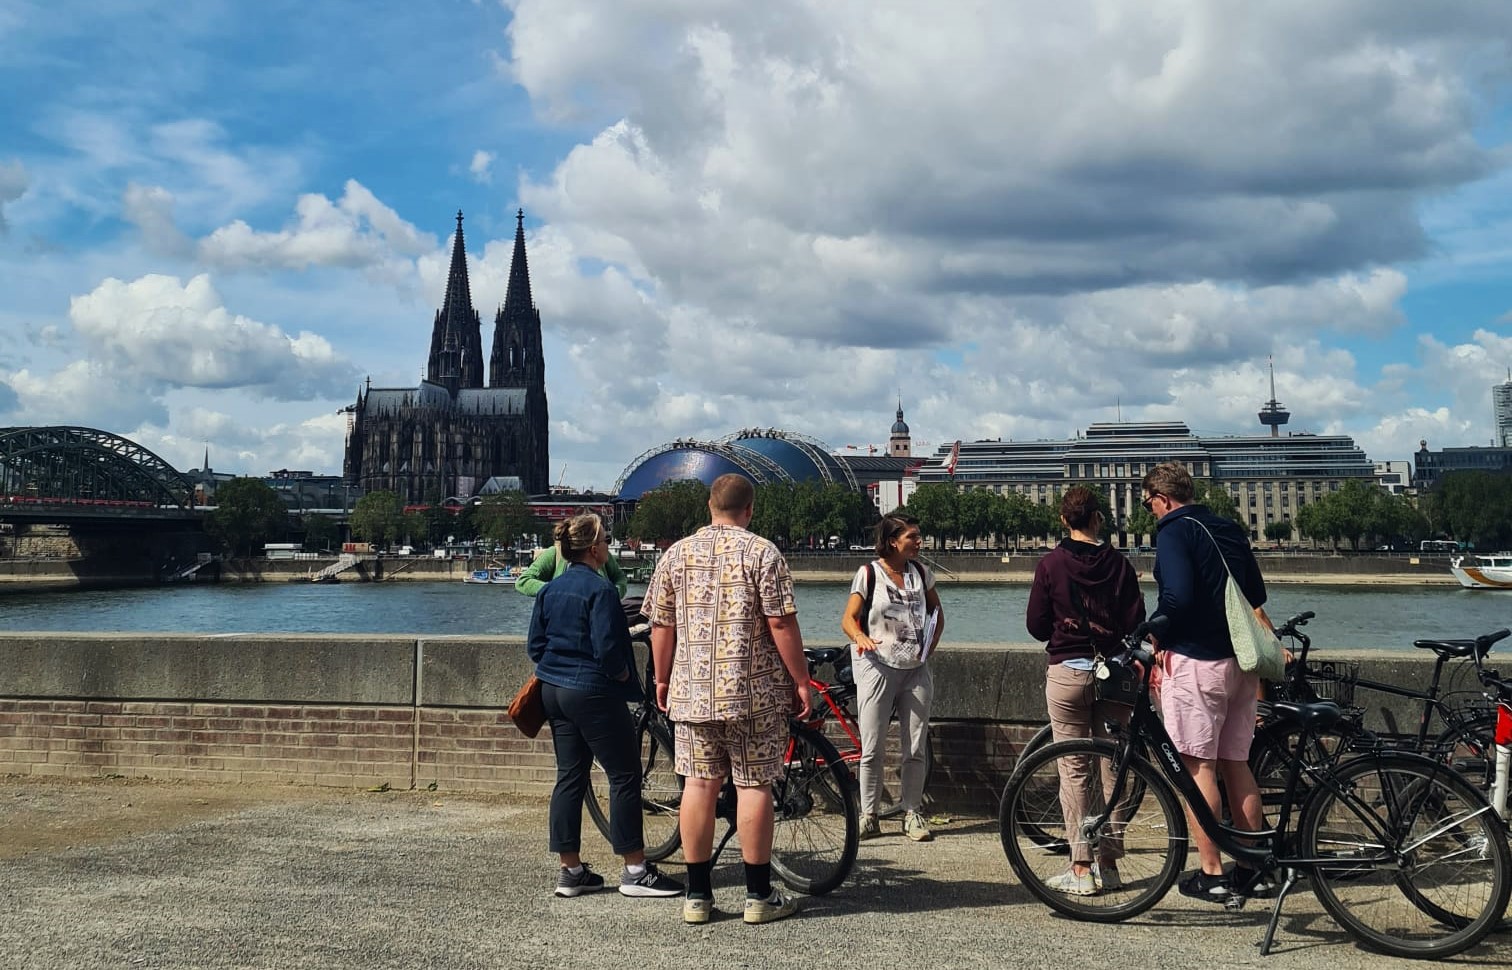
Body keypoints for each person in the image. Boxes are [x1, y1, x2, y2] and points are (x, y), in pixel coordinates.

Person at [644, 473, 811, 926]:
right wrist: (801, 680)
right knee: (753, 785)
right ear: (750, 509)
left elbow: (662, 627)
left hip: (694, 690)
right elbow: (780, 624)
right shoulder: (762, 553)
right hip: (752, 691)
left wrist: (662, 679)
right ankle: (758, 896)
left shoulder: (675, 555)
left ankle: (697, 896)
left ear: (708, 506)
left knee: (699, 785)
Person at [526, 512, 684, 901]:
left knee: (570, 776)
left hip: (553, 689)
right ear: (594, 549)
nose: (608, 547)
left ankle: (571, 871)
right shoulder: (601, 592)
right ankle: (635, 869)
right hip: (593, 692)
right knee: (625, 774)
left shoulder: (549, 590)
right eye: (607, 541)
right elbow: (610, 651)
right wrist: (619, 679)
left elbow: (535, 646)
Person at [1141, 461, 1270, 900]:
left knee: (1199, 768)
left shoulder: (1174, 531)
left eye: (1149, 505)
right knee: (1237, 764)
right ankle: (1253, 868)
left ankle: (1212, 874)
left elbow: (1177, 596)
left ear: (1162, 498)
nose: (1151, 513)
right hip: (1241, 663)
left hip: (1197, 662)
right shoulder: (1227, 527)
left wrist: (1151, 630)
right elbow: (1256, 593)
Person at [1024, 486, 1146, 894]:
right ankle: (1109, 863)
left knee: (1073, 769)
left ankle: (1080, 868)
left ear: (1063, 521)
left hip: (1069, 673)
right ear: (1097, 518)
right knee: (1112, 767)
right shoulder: (1121, 565)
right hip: (1113, 672)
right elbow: (1135, 622)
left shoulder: (1050, 565)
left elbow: (1036, 625)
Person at [839, 513, 944, 842]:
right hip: (877, 667)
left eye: (918, 535)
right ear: (892, 541)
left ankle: (912, 812)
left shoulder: (921, 573)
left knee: (915, 747)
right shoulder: (869, 574)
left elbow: (936, 614)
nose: (918, 541)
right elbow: (849, 619)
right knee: (872, 746)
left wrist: (929, 647)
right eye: (912, 536)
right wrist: (860, 638)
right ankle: (868, 814)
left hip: (915, 669)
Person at [516, 535, 629, 598]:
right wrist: (556, 590)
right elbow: (523, 581)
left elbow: (619, 577)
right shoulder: (555, 553)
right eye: (606, 539)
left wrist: (615, 593)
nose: (607, 544)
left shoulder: (604, 555)